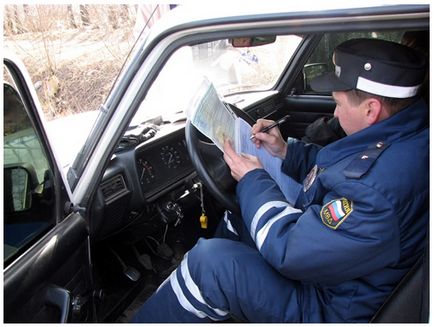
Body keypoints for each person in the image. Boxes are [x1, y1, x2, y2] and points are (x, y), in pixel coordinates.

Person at [131, 38, 428, 323]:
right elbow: (342, 169)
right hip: (342, 274)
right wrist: (285, 151)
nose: (334, 113)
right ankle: (221, 298)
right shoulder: (404, 136)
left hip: (332, 307)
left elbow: (291, 251)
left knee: (207, 264)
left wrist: (252, 179)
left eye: (338, 104)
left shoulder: (378, 191)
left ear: (371, 109)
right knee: (240, 219)